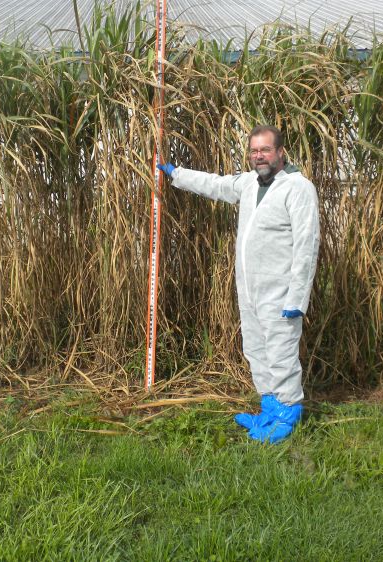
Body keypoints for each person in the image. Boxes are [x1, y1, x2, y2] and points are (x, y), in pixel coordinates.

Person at [157, 125, 320, 444]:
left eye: (266, 150)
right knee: (256, 350)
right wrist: (177, 174)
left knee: (280, 352)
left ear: (281, 152)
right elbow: (215, 184)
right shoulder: (248, 183)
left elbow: (307, 245)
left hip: (280, 293)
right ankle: (270, 408)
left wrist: (296, 298)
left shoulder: (297, 188)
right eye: (254, 150)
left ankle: (287, 414)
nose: (259, 156)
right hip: (249, 290)